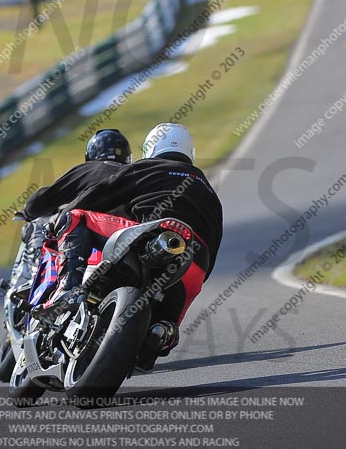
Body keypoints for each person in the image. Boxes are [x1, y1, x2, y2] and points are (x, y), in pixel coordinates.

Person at [25, 123, 223, 371]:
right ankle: (161, 330)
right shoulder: (208, 188)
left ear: (151, 148)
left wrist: (60, 216)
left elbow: (101, 194)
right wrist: (198, 275)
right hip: (195, 261)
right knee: (167, 326)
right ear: (189, 152)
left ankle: (69, 286)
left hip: (153, 233)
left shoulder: (147, 167)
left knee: (73, 217)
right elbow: (215, 244)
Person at [11, 129, 132, 299]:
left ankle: (38, 280)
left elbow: (45, 197)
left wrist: (28, 211)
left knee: (39, 227)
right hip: (127, 244)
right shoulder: (134, 173)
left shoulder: (87, 169)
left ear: (90, 154)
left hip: (90, 237)